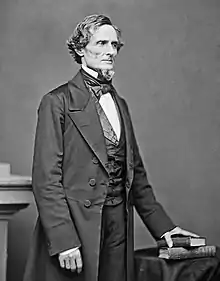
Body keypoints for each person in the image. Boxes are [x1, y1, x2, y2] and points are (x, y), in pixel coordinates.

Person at [23, 14, 198, 281]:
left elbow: (135, 175)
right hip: (77, 227)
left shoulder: (120, 104)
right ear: (80, 49)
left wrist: (165, 229)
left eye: (114, 45)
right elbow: (46, 180)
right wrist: (64, 240)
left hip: (119, 225)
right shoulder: (56, 102)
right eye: (102, 43)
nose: (110, 51)